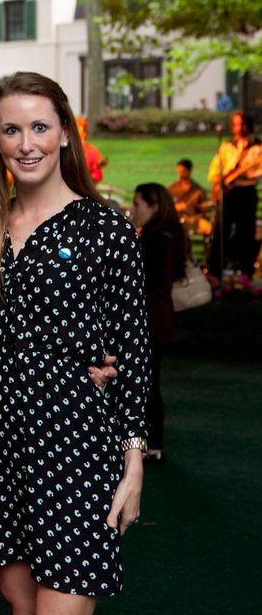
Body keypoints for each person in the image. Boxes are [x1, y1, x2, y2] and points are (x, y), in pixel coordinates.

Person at [0, 72, 149, 615]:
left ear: (66, 134)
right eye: (12, 130)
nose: (27, 144)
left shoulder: (105, 230)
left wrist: (133, 463)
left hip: (74, 445)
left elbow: (134, 352)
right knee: (23, 613)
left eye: (40, 127)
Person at [131, 183, 187, 463]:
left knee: (147, 383)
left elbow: (140, 279)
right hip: (157, 317)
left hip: (150, 319)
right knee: (148, 381)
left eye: (137, 204)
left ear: (153, 207)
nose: (133, 209)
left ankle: (152, 444)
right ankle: (151, 443)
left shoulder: (155, 240)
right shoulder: (164, 236)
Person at [207, 111, 262, 277]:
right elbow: (216, 167)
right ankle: (214, 272)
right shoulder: (226, 146)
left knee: (246, 231)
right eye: (235, 124)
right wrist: (218, 179)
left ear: (249, 125)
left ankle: (245, 273)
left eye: (241, 124)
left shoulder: (258, 148)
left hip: (246, 192)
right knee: (220, 230)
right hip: (227, 193)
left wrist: (243, 174)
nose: (238, 128)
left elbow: (258, 172)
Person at [168, 158, 207, 234]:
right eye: (179, 171)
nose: (181, 174)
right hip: (175, 220)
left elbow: (204, 210)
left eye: (183, 171)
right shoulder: (171, 189)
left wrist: (195, 218)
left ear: (190, 171)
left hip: (193, 221)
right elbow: (165, 207)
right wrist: (175, 207)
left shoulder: (199, 190)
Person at [75, 116, 107, 184]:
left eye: (78, 132)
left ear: (84, 133)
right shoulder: (62, 151)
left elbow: (97, 176)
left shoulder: (93, 152)